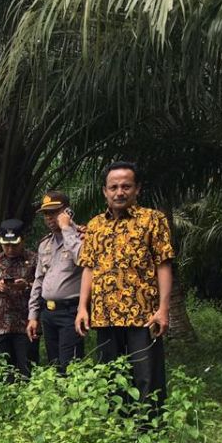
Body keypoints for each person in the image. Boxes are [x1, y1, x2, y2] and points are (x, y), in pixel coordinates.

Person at [75, 161, 174, 414]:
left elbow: (163, 264)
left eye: (126, 186)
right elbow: (89, 267)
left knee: (146, 378)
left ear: (137, 189)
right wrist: (82, 308)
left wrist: (163, 309)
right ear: (104, 191)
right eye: (114, 187)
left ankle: (150, 435)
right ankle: (118, 434)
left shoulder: (153, 220)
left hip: (143, 315)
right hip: (105, 316)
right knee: (111, 378)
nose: (120, 192)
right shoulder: (95, 225)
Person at [27, 192, 85, 371]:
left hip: (71, 311)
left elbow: (81, 259)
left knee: (70, 366)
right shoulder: (45, 245)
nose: (50, 217)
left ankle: (74, 399)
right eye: (46, 214)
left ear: (67, 211)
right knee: (54, 364)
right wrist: (33, 316)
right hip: (48, 312)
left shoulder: (81, 237)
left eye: (54, 212)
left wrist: (68, 228)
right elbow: (38, 281)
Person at [0, 219, 37, 378]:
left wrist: (26, 285)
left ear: (22, 240)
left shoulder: (34, 259)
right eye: (6, 245)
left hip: (25, 325)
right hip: (0, 326)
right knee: (1, 372)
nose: (10, 248)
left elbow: (44, 286)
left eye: (14, 244)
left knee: (26, 371)